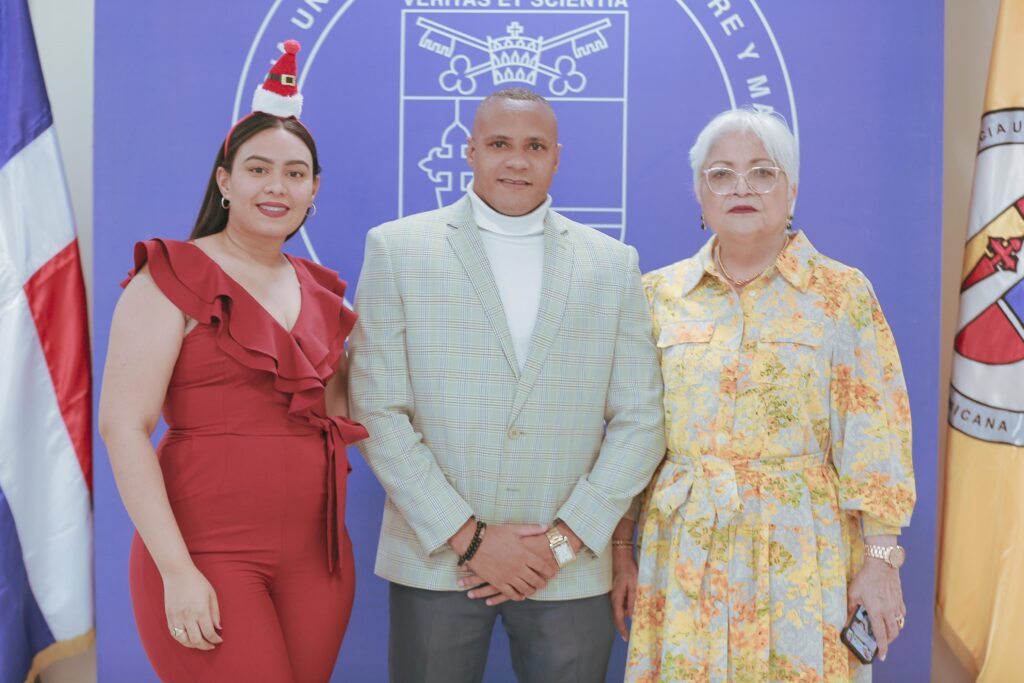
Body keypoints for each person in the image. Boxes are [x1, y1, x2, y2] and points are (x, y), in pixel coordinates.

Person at [348, 87, 666, 683]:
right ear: (470, 150)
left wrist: (563, 542)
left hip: (568, 567)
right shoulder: (396, 249)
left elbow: (641, 420)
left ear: (557, 156)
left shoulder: (612, 263)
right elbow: (375, 410)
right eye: (499, 143)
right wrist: (469, 539)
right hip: (436, 558)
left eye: (535, 146)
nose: (517, 160)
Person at [98, 41, 367, 682]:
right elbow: (123, 427)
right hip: (205, 553)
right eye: (258, 168)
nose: (277, 186)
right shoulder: (170, 276)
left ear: (314, 189)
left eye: (295, 173)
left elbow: (346, 416)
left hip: (320, 561)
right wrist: (176, 569)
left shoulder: (325, 294)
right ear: (225, 180)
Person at [618, 108, 916, 682]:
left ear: (792, 189)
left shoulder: (841, 295)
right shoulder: (657, 296)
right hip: (683, 550)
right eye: (721, 174)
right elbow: (633, 432)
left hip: (802, 550)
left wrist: (881, 561)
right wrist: (619, 548)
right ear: (699, 193)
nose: (741, 188)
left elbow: (876, 432)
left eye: (762, 172)